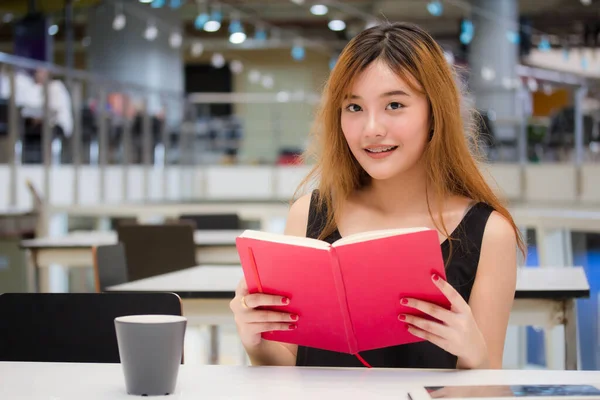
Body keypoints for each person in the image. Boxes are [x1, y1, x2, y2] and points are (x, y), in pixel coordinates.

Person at [230, 22, 526, 370]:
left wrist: (475, 355)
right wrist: (256, 342)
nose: (372, 129)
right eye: (354, 108)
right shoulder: (309, 215)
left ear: (435, 113)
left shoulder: (489, 234)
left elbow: (487, 386)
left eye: (395, 105)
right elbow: (289, 371)